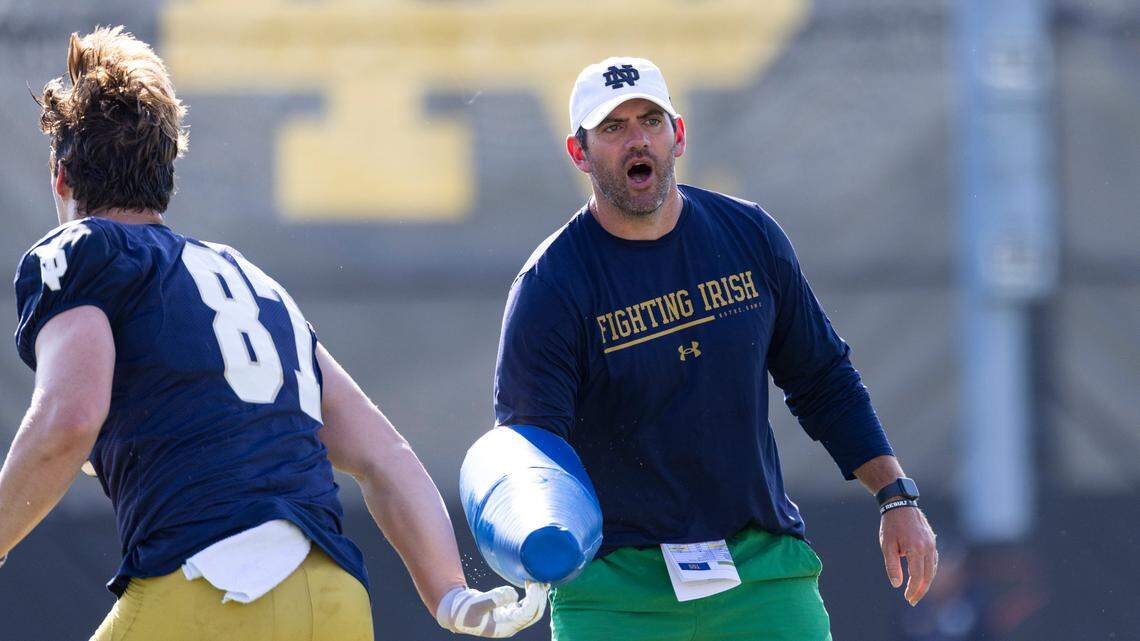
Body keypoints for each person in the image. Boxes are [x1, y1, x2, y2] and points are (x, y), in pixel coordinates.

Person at [0, 26, 544, 641]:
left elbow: (66, 422)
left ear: (61, 174)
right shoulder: (250, 280)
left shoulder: (81, 251)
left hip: (209, 591)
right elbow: (383, 455)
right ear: (166, 170)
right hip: (334, 603)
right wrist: (449, 593)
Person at [492, 56, 939, 640]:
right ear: (579, 153)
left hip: (758, 574)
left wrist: (895, 496)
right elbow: (529, 450)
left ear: (678, 133)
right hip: (615, 590)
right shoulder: (551, 286)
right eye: (612, 128)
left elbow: (822, 378)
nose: (637, 141)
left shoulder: (749, 236)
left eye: (650, 121)